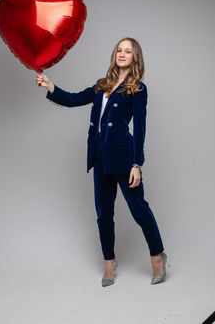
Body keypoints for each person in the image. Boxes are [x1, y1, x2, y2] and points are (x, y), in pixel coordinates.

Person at [36, 37, 169, 287]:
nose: (122, 54)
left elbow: (140, 128)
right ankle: (110, 262)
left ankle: (157, 256)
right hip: (99, 157)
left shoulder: (138, 89)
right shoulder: (102, 85)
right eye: (119, 50)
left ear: (135, 57)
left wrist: (136, 164)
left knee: (139, 210)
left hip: (123, 158)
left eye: (127, 51)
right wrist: (50, 86)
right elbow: (74, 99)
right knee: (103, 214)